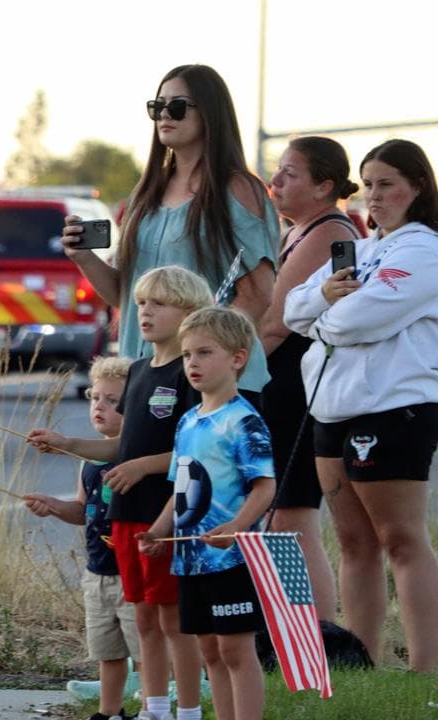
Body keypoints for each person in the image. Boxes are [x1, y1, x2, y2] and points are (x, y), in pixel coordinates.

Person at [28, 266, 210, 720]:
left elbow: (199, 453)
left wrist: (143, 466)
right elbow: (121, 447)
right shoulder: (139, 371)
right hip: (126, 514)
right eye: (142, 303)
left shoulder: (190, 375)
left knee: (172, 618)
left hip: (167, 515)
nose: (145, 312)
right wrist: (68, 444)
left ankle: (187, 709)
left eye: (159, 304)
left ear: (190, 313)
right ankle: (155, 706)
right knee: (144, 617)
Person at [284, 138, 438, 671]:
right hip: (330, 409)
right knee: (353, 541)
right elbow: (291, 308)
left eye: (387, 184)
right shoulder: (362, 249)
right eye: (369, 184)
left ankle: (424, 669)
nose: (374, 195)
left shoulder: (424, 248)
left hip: (394, 410)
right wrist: (324, 303)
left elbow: (361, 318)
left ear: (417, 187)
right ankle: (359, 663)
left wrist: (323, 314)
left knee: (401, 541)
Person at [60, 64, 279, 405]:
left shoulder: (237, 189)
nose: (165, 115)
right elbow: (126, 297)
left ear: (209, 113)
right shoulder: (145, 193)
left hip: (213, 382)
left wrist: (202, 353)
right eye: (157, 107)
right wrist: (83, 258)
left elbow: (257, 295)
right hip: (144, 373)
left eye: (177, 106)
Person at [137, 306, 275, 720]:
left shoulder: (244, 421)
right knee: (209, 648)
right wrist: (158, 532)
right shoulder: (187, 422)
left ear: (237, 358)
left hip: (230, 557)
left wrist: (235, 527)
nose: (192, 363)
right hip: (191, 558)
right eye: (188, 354)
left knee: (235, 647)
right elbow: (181, 487)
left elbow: (265, 486)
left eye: (205, 353)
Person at [256, 136, 359, 622]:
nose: (275, 181)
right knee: (278, 515)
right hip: (280, 386)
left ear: (325, 186)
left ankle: (313, 635)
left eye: (289, 173)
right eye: (277, 170)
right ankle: (289, 631)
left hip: (295, 391)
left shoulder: (328, 231)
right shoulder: (296, 229)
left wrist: (230, 376)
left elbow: (275, 321)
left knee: (293, 515)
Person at [23, 356, 140, 720]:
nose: (100, 407)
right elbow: (83, 510)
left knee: (146, 650)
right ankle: (110, 711)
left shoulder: (137, 454)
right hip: (98, 571)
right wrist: (54, 506)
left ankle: (155, 707)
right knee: (108, 651)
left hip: (132, 571)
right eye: (95, 398)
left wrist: (65, 443)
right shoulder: (87, 461)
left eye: (112, 400)